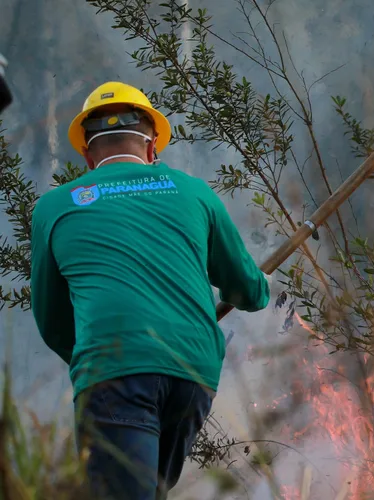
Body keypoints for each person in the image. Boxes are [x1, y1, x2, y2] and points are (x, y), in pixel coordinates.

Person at [29, 81, 270, 499]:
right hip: (192, 373)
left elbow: (51, 321)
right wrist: (260, 288)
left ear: (86, 154)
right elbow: (247, 290)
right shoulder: (194, 192)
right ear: (152, 144)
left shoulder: (56, 206)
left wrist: (100, 357)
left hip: (114, 371)